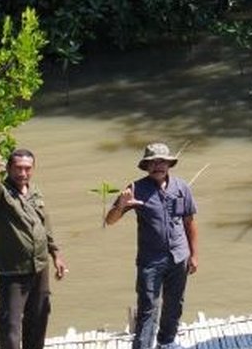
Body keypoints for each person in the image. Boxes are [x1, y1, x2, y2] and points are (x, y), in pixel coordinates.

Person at [104, 144, 199, 349]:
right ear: (146, 166)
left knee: (175, 304)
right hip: (150, 261)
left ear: (169, 164)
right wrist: (121, 204)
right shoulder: (135, 188)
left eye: (162, 161)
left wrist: (194, 255)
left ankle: (166, 341)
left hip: (179, 256)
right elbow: (109, 221)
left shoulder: (182, 188)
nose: (158, 166)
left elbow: (189, 222)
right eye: (153, 162)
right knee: (148, 309)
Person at [0, 149, 68, 349]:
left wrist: (56, 255)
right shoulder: (0, 195)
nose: (23, 173)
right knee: (9, 325)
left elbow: (45, 224)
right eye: (18, 168)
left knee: (38, 319)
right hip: (13, 271)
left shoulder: (35, 191)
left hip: (40, 266)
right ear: (9, 168)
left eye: (27, 168)